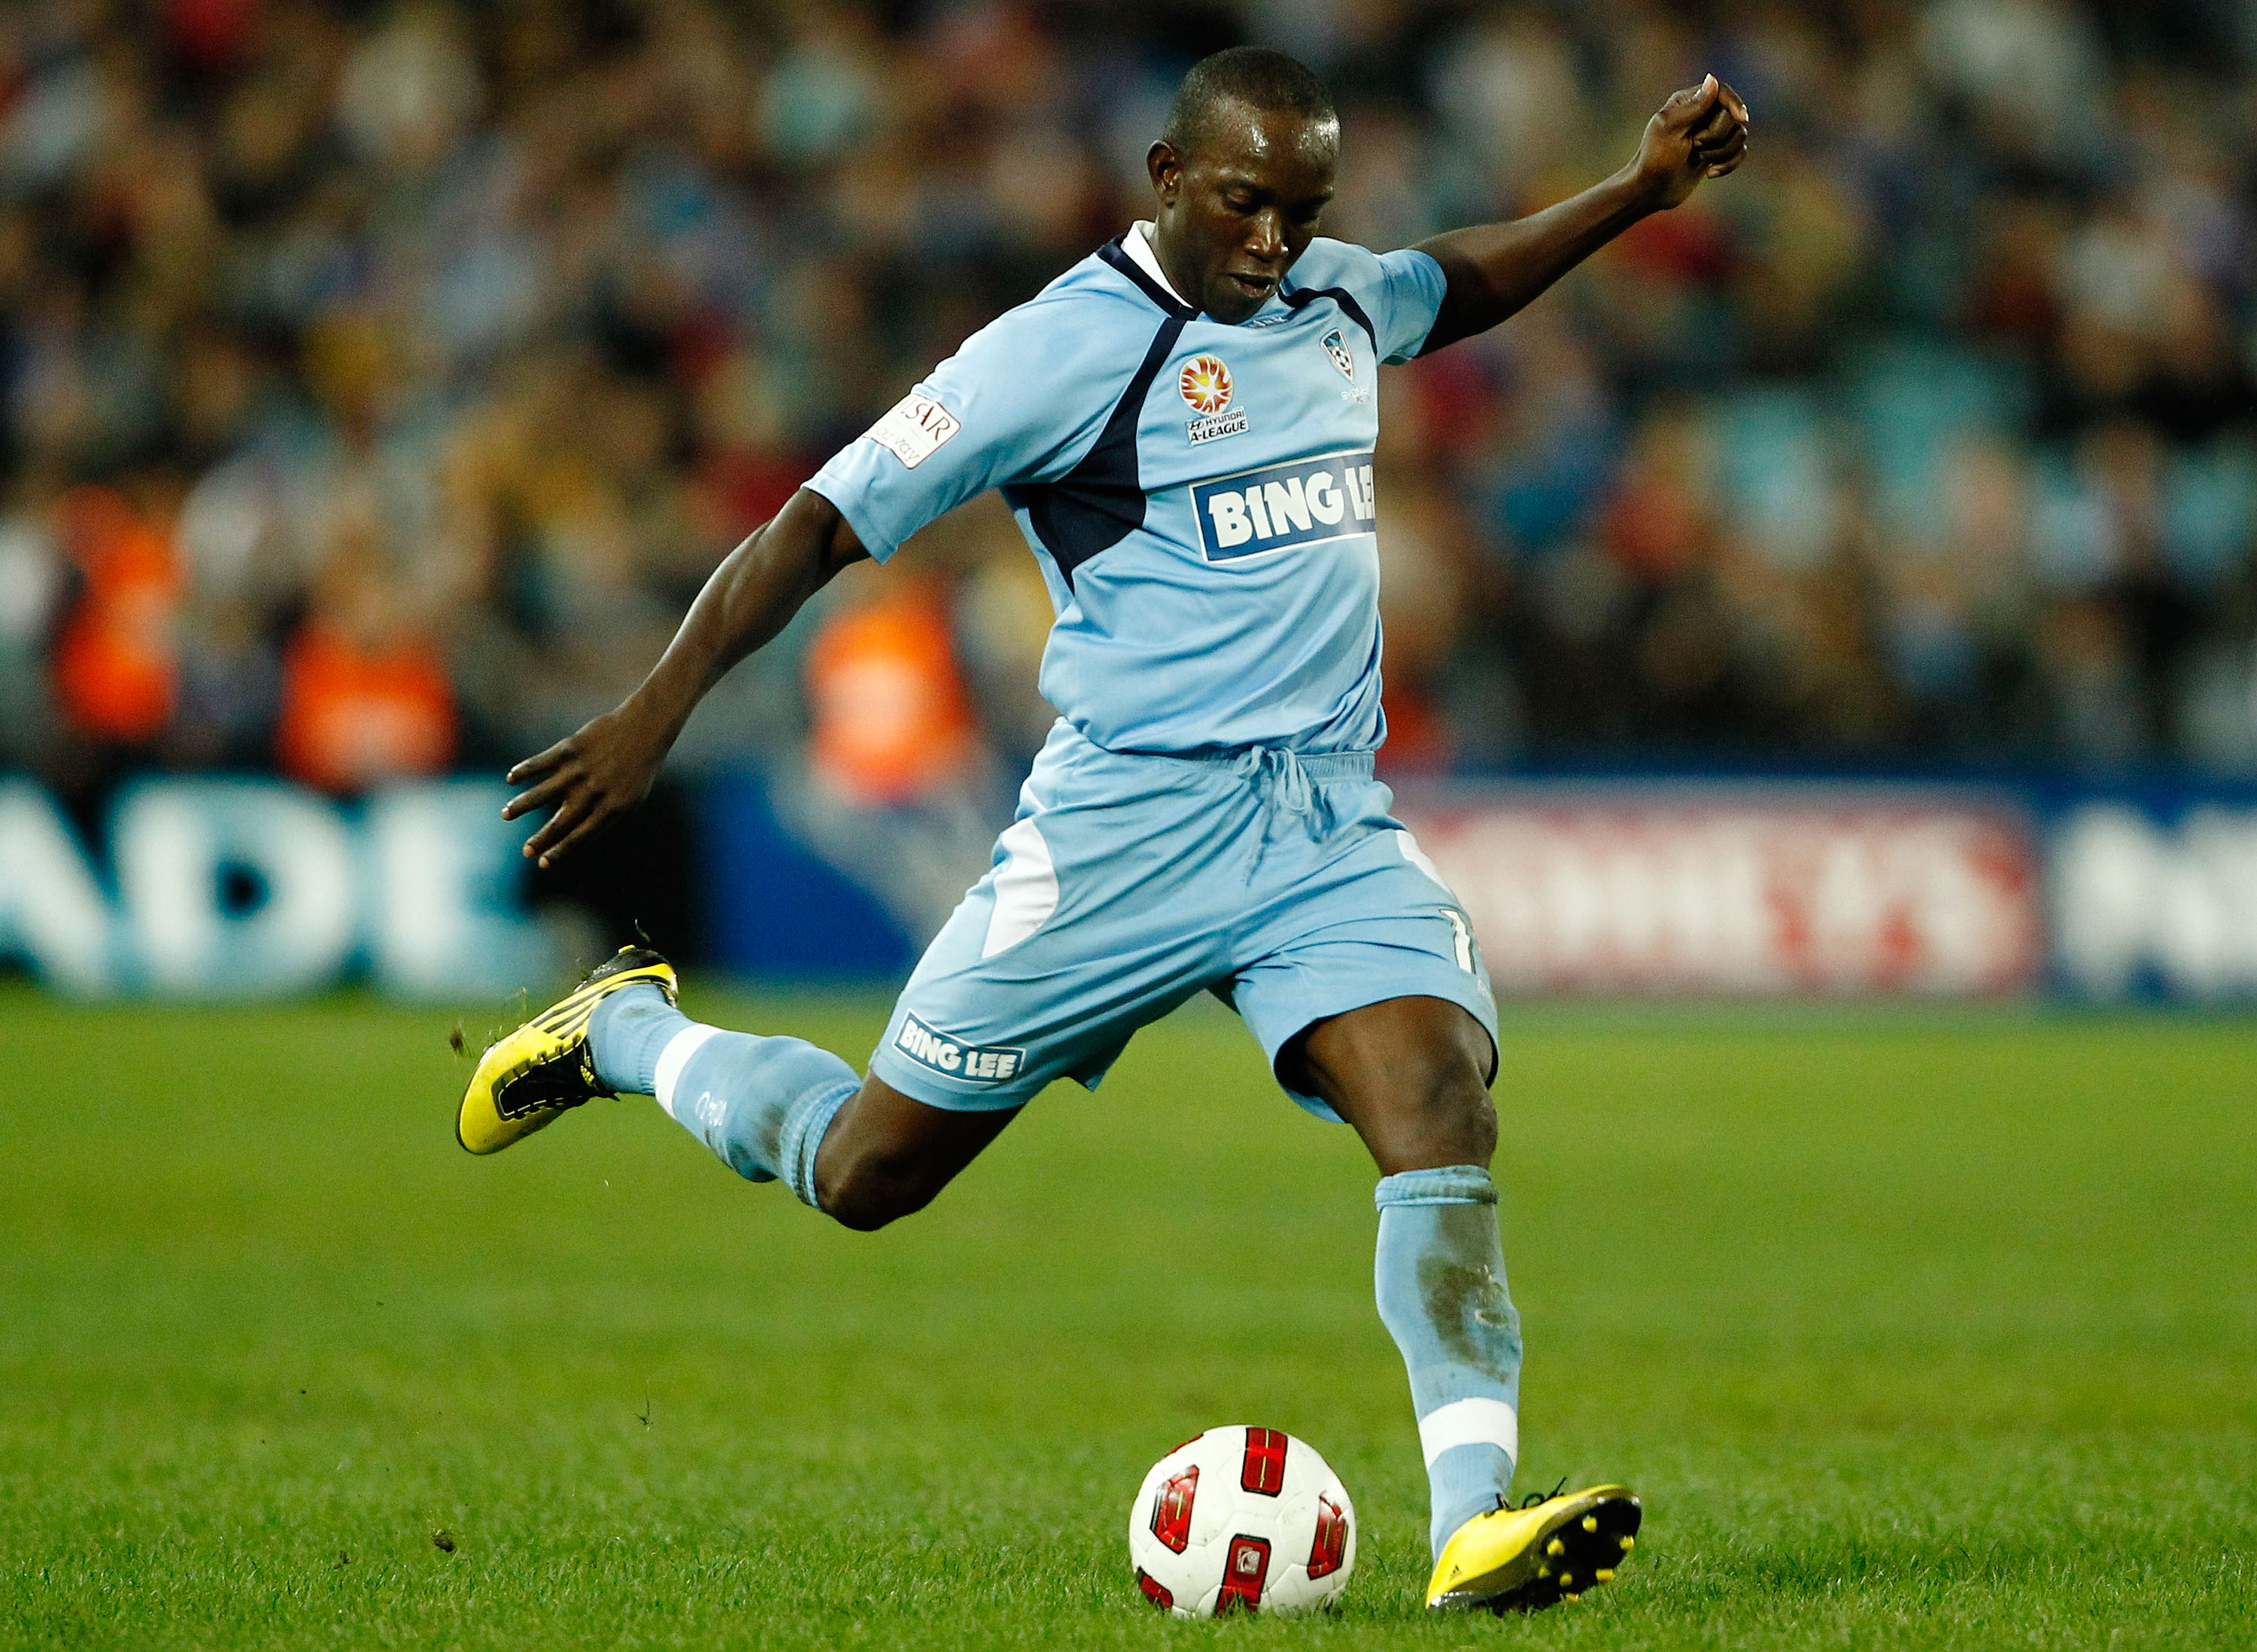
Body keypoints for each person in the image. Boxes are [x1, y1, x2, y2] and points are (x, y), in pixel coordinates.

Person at [458, 47, 1748, 1614]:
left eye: (1303, 208)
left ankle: (1471, 1528)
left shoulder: (1332, 300)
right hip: (1124, 832)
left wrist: (1635, 191)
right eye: (1245, 204)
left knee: (1438, 1100)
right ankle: (628, 1039)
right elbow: (818, 520)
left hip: (1320, 824)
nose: (1277, 241)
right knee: (870, 1171)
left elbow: (1450, 283)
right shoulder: (1058, 354)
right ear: (1164, 177)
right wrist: (655, 712)